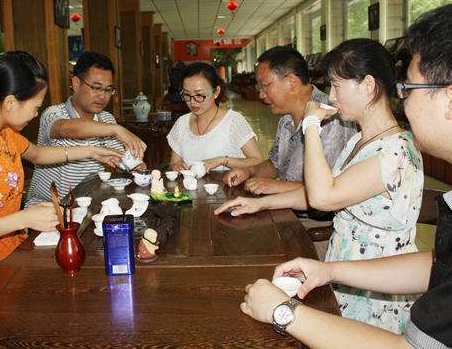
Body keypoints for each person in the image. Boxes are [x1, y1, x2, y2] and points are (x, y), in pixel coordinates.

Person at [232, 1, 452, 348]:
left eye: (408, 89)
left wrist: (284, 312)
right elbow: (440, 264)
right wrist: (331, 269)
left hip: (376, 296)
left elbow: (323, 196)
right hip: (353, 267)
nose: (404, 102)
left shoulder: (396, 152)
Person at [216, 39, 423, 333]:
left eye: (338, 86)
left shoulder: (394, 152)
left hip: (378, 278)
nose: (332, 96)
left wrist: (311, 125)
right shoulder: (360, 140)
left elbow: (323, 197)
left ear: (368, 86)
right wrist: (260, 203)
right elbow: (329, 190)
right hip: (346, 264)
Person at [0, 52, 123, 283]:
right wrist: (23, 219)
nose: (36, 113)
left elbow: (37, 154)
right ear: (10, 102)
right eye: (36, 106)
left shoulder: (0, 130)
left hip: (12, 252)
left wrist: (92, 151)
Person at [223, 46, 356, 196]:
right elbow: (276, 163)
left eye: (264, 86)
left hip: (319, 217)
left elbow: (333, 185)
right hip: (289, 205)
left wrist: (278, 187)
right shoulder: (286, 117)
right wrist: (249, 171)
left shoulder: (332, 118)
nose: (261, 94)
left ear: (292, 81)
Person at [26, 51, 147, 206]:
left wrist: (132, 166)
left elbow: (118, 162)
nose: (102, 96)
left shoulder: (107, 120)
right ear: (76, 84)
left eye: (108, 89)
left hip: (87, 204)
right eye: (96, 88)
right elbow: (64, 129)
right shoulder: (54, 113)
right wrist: (117, 129)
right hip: (47, 206)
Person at [167, 62, 264, 174]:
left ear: (216, 92)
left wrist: (222, 160)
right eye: (187, 95)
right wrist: (176, 167)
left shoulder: (233, 122)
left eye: (199, 95)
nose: (192, 102)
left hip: (230, 190)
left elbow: (259, 162)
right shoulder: (182, 123)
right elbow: (173, 165)